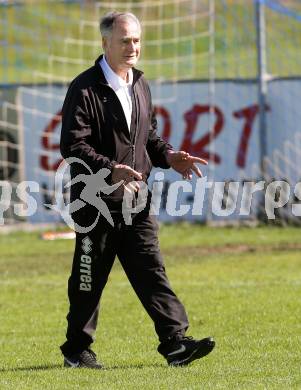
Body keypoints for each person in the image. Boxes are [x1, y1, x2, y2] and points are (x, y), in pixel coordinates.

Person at [59, 11, 215, 369]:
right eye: (125, 40)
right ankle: (76, 350)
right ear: (105, 43)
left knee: (151, 270)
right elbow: (72, 144)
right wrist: (109, 168)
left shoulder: (140, 85)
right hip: (94, 202)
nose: (133, 47)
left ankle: (175, 342)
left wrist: (170, 156)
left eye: (137, 40)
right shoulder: (84, 88)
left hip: (136, 201)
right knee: (89, 279)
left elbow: (149, 138)